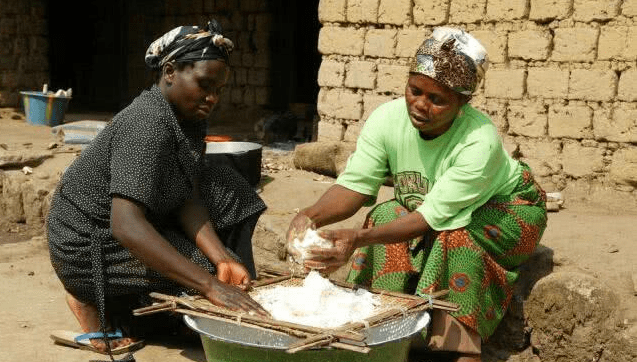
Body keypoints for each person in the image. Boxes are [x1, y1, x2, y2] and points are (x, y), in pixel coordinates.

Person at [286, 27, 547, 362]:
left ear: (462, 102)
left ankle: (458, 350)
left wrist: (356, 238)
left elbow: (430, 218)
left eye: (437, 100)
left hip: (508, 210)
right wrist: (309, 215)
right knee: (383, 216)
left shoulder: (479, 141)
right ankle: (383, 329)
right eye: (415, 90)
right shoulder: (387, 119)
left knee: (456, 237)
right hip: (431, 207)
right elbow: (354, 185)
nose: (421, 105)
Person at [47, 20, 268, 358]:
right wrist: (209, 284)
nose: (212, 97)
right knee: (207, 288)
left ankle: (182, 298)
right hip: (89, 242)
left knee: (229, 191)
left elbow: (187, 195)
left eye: (219, 89)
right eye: (205, 85)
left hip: (136, 220)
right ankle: (101, 300)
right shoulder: (146, 124)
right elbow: (125, 225)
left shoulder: (189, 117)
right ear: (170, 72)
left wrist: (222, 259)